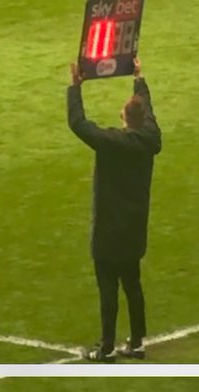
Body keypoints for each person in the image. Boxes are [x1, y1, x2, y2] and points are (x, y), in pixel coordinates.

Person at [68, 57, 162, 362]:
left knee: (107, 287)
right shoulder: (150, 140)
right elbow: (148, 110)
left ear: (123, 115)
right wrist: (139, 78)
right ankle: (136, 342)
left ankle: (106, 347)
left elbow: (78, 124)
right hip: (134, 228)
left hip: (109, 229)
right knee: (133, 284)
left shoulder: (110, 142)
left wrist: (75, 87)